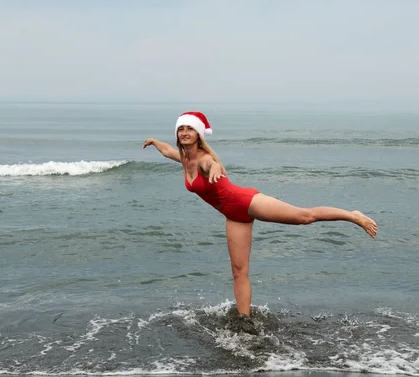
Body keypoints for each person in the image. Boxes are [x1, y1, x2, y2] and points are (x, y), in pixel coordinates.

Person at [143, 111, 378, 323]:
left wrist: (215, 168)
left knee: (304, 217)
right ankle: (244, 320)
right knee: (238, 271)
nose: (184, 133)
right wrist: (154, 142)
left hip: (246, 202)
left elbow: (210, 164)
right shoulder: (184, 159)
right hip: (233, 216)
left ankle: (353, 215)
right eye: (181, 129)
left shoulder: (203, 158)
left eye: (190, 129)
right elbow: (167, 151)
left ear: (199, 134)